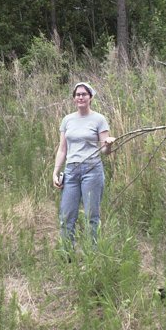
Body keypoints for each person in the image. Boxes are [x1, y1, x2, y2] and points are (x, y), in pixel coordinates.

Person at [52, 82, 115, 246]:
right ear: (74, 98)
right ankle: (67, 254)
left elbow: (104, 151)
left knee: (91, 216)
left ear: (90, 97)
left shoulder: (99, 119)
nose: (80, 97)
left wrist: (108, 145)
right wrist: (56, 171)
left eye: (84, 94)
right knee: (66, 215)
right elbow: (62, 149)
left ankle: (93, 255)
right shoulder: (67, 120)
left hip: (92, 171)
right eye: (77, 94)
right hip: (71, 171)